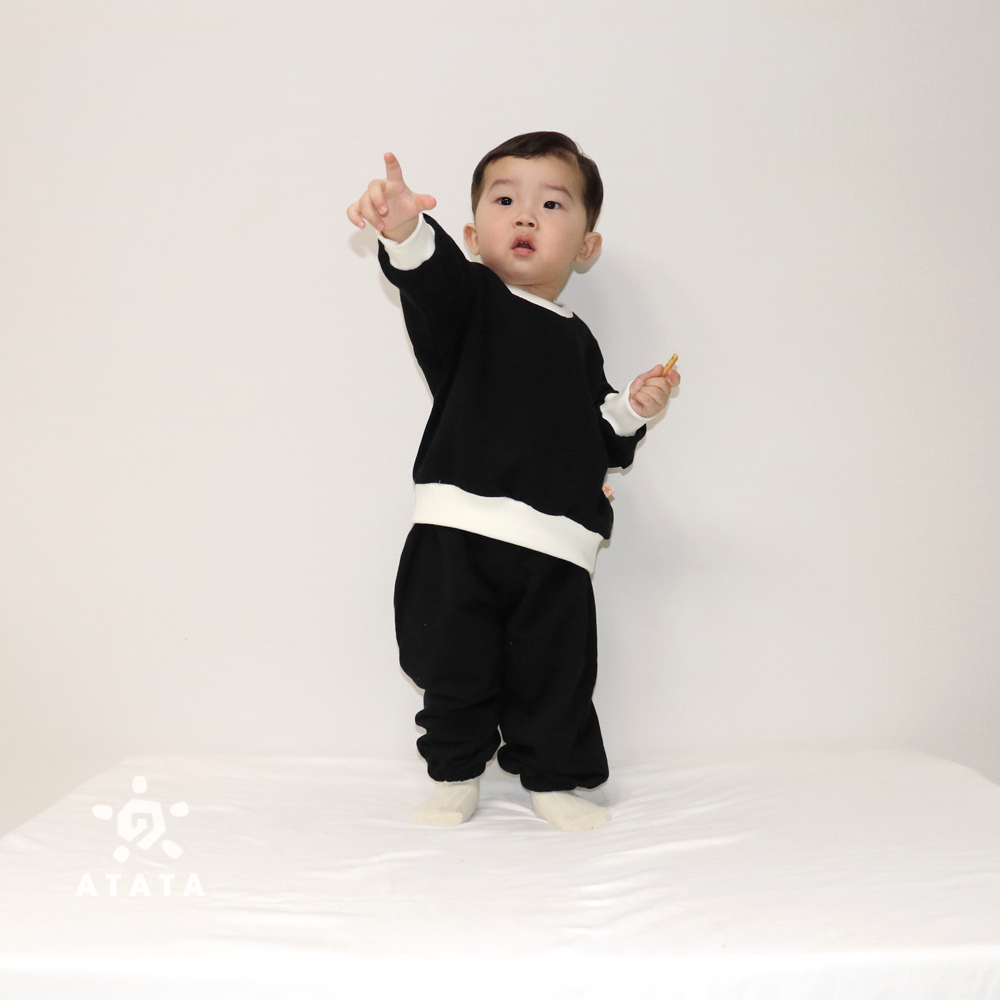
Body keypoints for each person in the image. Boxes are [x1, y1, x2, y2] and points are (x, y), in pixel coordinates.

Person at [347, 132, 680, 831]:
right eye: (505, 201)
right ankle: (455, 774)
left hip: (556, 547)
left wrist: (632, 408)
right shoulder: (469, 305)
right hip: (459, 532)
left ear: (586, 245)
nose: (526, 216)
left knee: (555, 675)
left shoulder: (578, 342)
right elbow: (430, 278)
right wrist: (405, 229)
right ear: (472, 236)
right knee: (453, 663)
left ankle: (551, 781)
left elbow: (600, 442)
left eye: (552, 205)